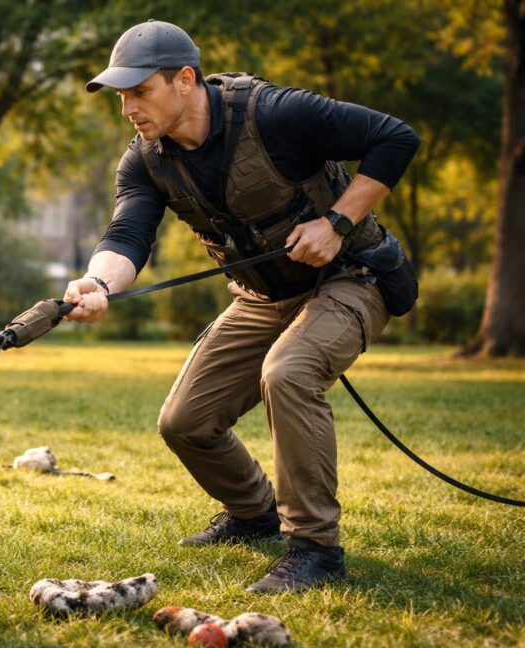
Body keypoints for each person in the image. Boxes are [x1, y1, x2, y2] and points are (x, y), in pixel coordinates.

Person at [64, 20, 420, 593]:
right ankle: (256, 515)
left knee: (289, 372)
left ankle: (314, 550)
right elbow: (128, 235)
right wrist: (97, 284)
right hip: (263, 296)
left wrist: (337, 221)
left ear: (184, 79)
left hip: (351, 275)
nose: (127, 107)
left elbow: (395, 137)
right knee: (185, 422)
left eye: (139, 91)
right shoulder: (144, 161)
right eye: (121, 95)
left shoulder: (277, 114)